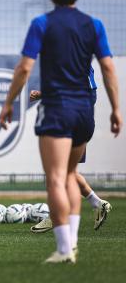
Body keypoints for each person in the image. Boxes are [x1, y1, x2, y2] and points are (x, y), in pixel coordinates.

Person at [0, 0, 122, 264]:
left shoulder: (42, 23)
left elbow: (24, 67)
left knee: (55, 177)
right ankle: (73, 245)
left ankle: (65, 249)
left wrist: (9, 102)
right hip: (84, 111)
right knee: (69, 174)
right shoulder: (95, 25)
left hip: (56, 110)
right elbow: (107, 68)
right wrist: (117, 108)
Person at [29, 90, 112, 234]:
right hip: (80, 118)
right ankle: (97, 203)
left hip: (69, 119)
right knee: (67, 172)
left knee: (57, 172)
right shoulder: (83, 69)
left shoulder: (72, 68)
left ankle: (59, 219)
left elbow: (72, 89)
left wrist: (43, 94)